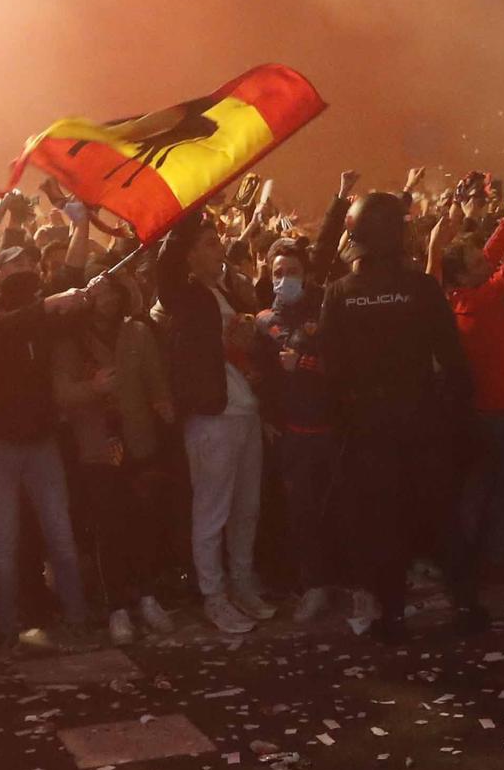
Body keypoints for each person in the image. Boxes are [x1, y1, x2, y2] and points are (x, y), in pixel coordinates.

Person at [319, 191, 478, 639]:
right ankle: (465, 604)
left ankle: (392, 615)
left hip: (369, 426)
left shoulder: (340, 294)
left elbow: (331, 372)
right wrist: (452, 417)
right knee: (443, 514)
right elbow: (453, 361)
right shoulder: (420, 288)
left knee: (382, 521)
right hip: (422, 418)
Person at [0, 173, 93, 651]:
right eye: (13, 266)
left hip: (42, 443)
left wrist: (81, 228)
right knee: (6, 547)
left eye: (28, 265)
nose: (24, 272)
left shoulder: (41, 311)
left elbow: (71, 279)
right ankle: (9, 628)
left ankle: (76, 618)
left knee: (63, 539)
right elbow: (6, 327)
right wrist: (49, 303)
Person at [155, 209, 273, 635]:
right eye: (208, 244)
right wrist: (191, 212)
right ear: (188, 256)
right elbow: (164, 263)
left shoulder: (230, 290)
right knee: (213, 510)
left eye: (218, 242)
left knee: (248, 508)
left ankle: (242, 582)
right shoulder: (183, 295)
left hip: (246, 412)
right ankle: (214, 595)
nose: (219, 249)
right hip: (212, 417)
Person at [54, 270, 176, 645]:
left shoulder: (136, 332)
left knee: (144, 524)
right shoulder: (71, 342)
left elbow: (156, 382)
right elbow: (61, 395)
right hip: (98, 450)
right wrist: (93, 388)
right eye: (100, 291)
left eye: (113, 291)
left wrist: (165, 406)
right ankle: (116, 608)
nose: (107, 298)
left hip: (139, 444)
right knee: (109, 531)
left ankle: (148, 596)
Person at [253, 172, 353, 624]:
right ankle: (312, 586)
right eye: (278, 272)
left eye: (292, 272)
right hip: (293, 437)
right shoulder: (262, 319)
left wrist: (339, 197)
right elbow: (260, 377)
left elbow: (324, 250)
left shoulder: (324, 306)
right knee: (301, 515)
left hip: (332, 430)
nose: (285, 278)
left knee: (341, 510)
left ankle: (348, 584)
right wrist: (267, 416)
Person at [435, 189, 504, 579]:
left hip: (492, 411)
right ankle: (495, 558)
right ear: (462, 273)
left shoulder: (463, 296)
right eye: (475, 260)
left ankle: (469, 556)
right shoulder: (476, 301)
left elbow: (492, 258)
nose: (484, 260)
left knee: (482, 486)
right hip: (503, 413)